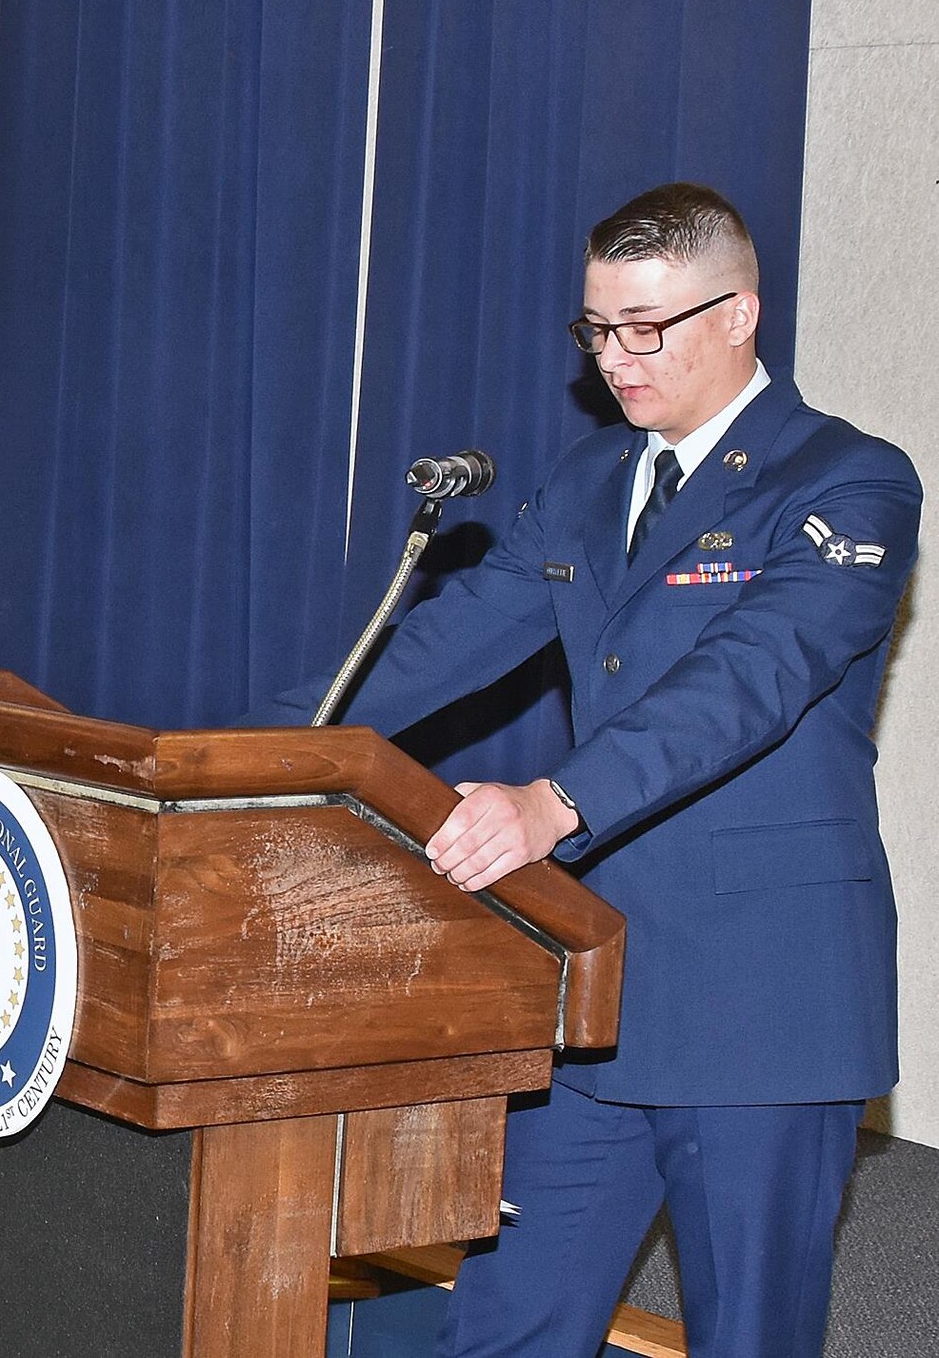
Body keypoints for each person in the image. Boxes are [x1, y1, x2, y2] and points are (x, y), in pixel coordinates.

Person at [265, 184, 918, 1357]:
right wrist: (241, 753)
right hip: (589, 992)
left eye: (644, 327)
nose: (615, 359)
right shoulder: (584, 481)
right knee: (505, 1327)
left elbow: (747, 680)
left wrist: (551, 801)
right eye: (595, 328)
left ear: (738, 315)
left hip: (757, 1004)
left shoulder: (845, 480)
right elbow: (435, 648)